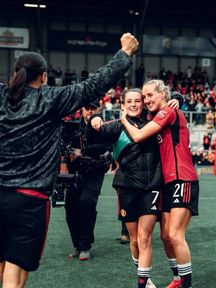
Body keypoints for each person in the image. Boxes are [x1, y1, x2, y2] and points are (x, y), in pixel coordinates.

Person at [0, 32, 139, 288]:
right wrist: (124, 54)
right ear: (43, 76)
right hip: (28, 198)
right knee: (15, 266)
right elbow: (94, 85)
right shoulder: (50, 99)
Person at [87, 88, 182, 288]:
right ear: (123, 105)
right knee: (134, 240)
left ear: (142, 103)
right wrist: (93, 120)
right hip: (127, 187)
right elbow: (94, 135)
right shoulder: (116, 127)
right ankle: (146, 280)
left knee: (144, 237)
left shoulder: (154, 120)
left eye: (137, 100)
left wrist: (177, 98)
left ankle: (142, 283)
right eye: (129, 101)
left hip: (151, 187)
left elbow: (166, 99)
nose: (133, 104)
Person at [121, 80, 199, 288]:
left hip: (182, 178)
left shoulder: (168, 112)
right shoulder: (156, 115)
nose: (145, 100)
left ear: (163, 94)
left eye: (149, 95)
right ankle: (176, 279)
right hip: (166, 182)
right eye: (143, 97)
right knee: (165, 236)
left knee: (174, 234)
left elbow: (137, 135)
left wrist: (122, 119)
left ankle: (186, 284)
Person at [65, 100, 112, 261]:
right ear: (82, 110)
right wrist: (71, 151)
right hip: (75, 172)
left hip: (94, 172)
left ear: (99, 109)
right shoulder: (72, 127)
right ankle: (78, 245)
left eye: (93, 108)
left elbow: (106, 147)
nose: (90, 111)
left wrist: (82, 151)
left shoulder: (103, 127)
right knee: (70, 208)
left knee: (87, 203)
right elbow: (65, 146)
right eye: (87, 108)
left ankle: (85, 246)